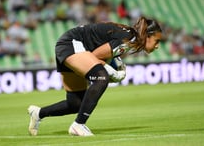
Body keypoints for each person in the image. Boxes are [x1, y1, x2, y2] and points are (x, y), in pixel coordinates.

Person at [27, 16, 163, 136]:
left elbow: (100, 55)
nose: (157, 46)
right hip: (72, 44)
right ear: (147, 35)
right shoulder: (128, 40)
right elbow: (95, 56)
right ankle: (78, 125)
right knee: (101, 77)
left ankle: (38, 113)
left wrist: (111, 67)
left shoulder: (129, 38)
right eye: (156, 41)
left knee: (76, 104)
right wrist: (112, 73)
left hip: (71, 45)